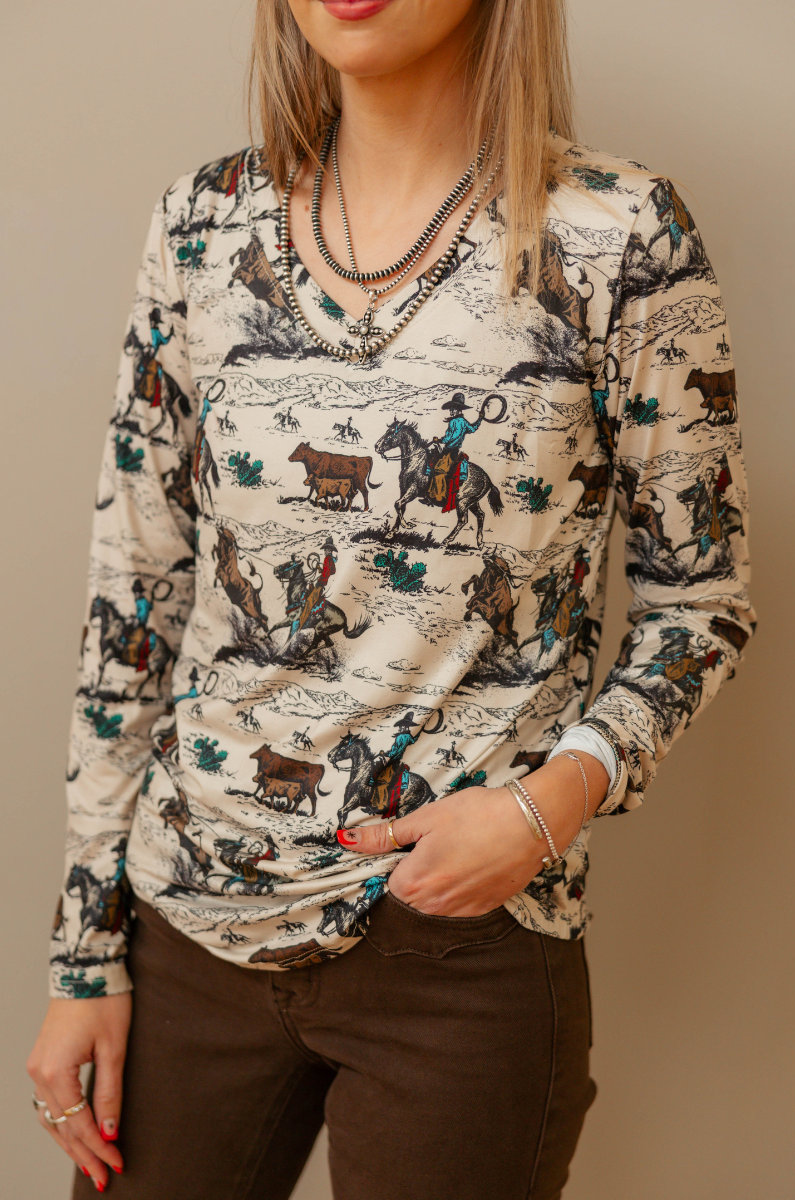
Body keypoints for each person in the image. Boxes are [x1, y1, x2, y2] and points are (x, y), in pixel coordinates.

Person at [27, 2, 755, 1197]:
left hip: (458, 959)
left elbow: (700, 602)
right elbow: (134, 604)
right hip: (186, 927)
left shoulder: (618, 234)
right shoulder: (202, 225)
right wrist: (83, 960)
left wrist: (545, 807)